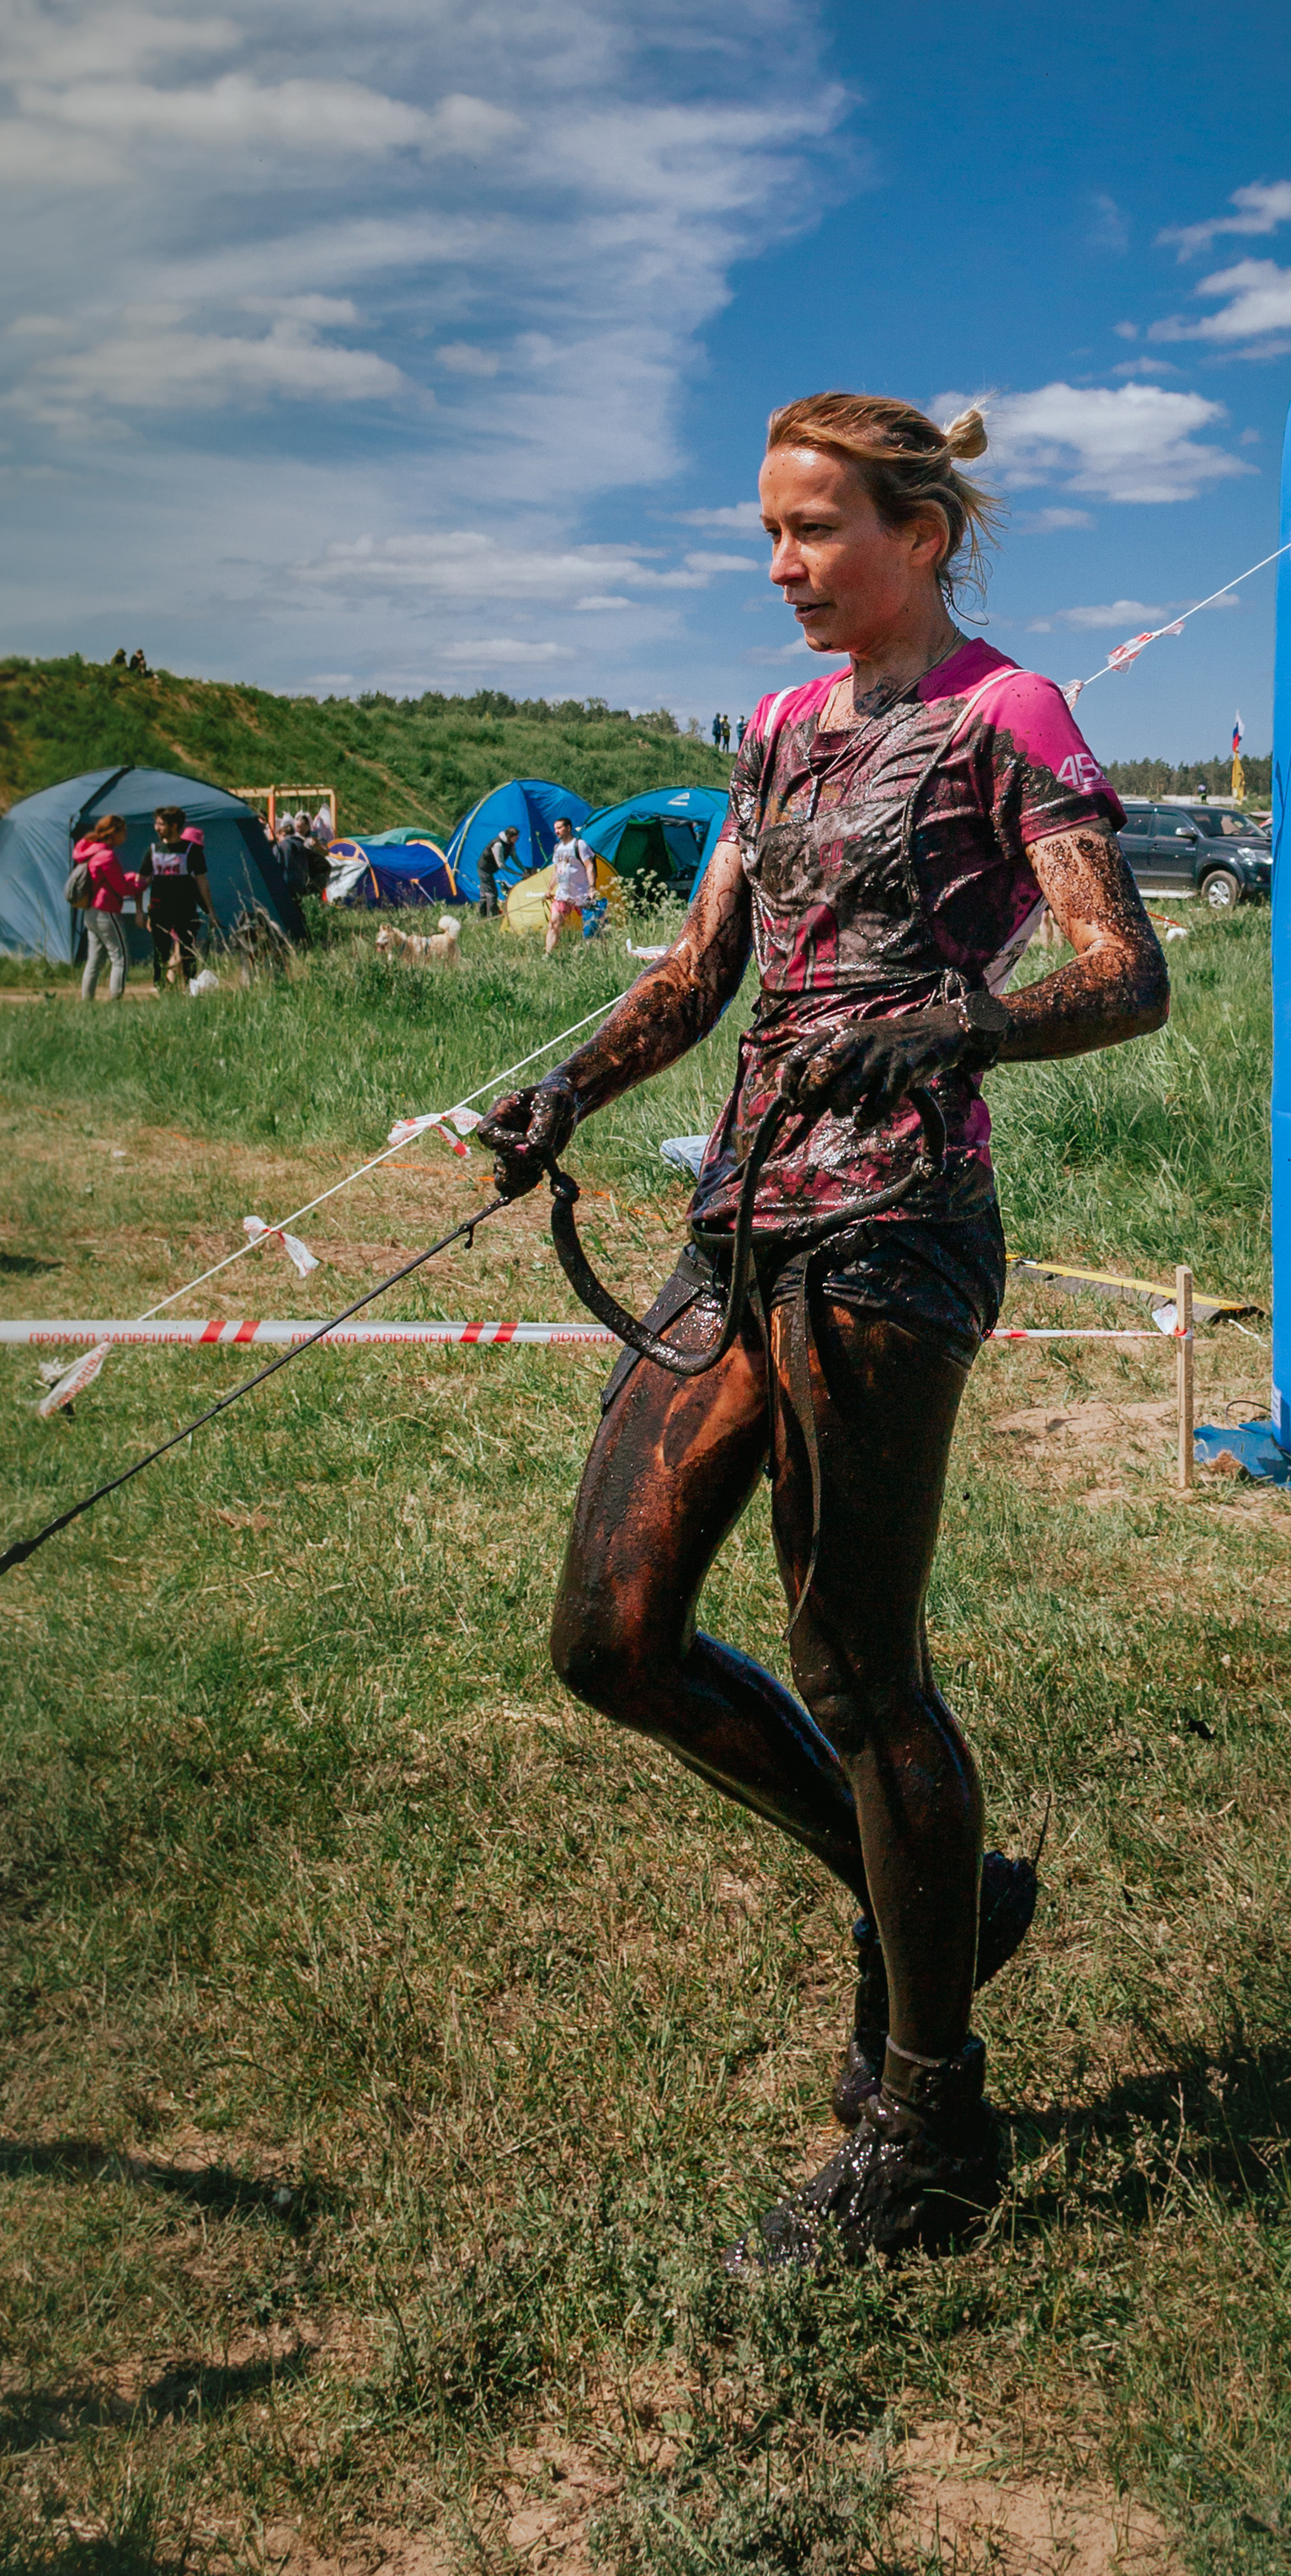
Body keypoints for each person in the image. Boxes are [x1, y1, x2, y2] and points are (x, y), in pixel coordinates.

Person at [477, 392, 1169, 2269]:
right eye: (766, 535)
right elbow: (706, 967)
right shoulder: (781, 730)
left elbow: (1124, 973)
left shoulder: (1003, 715)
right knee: (608, 1640)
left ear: (920, 534)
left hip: (891, 1235)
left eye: (811, 531)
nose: (779, 568)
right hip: (740, 1218)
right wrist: (567, 1095)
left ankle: (932, 2131)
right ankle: (930, 1901)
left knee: (860, 1674)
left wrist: (961, 1023)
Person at [142, 805, 213, 990]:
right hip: (159, 910)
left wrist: (210, 911)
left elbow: (202, 882)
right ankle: (162, 989)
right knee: (161, 952)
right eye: (156, 824)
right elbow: (142, 882)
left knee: (187, 951)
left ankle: (190, 988)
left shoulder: (192, 851)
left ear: (174, 826)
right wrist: (141, 911)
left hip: (185, 909)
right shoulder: (153, 850)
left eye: (160, 824)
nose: (156, 828)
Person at [71, 815, 140, 1002]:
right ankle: (116, 1001)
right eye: (123, 830)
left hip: (91, 912)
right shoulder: (107, 856)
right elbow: (121, 888)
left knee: (94, 960)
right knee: (121, 958)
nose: (125, 834)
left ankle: (88, 1001)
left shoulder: (93, 853)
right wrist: (143, 884)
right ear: (113, 833)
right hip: (107, 911)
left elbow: (108, 882)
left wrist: (129, 876)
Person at [541, 815, 596, 954]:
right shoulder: (557, 848)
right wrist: (549, 889)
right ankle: (548, 955)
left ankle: (592, 954)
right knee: (553, 924)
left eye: (559, 828)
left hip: (581, 893)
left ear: (568, 828)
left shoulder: (580, 845)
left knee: (592, 927)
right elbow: (556, 871)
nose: (557, 831)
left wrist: (592, 887)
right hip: (563, 895)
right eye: (555, 829)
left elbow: (589, 867)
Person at [477, 821, 521, 919]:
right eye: (516, 837)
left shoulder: (510, 844)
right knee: (492, 894)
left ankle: (481, 915)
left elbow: (515, 858)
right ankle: (492, 917)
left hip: (490, 869)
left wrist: (523, 869)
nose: (517, 839)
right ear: (510, 836)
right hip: (484, 869)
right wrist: (518, 874)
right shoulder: (498, 845)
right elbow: (501, 865)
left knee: (485, 894)